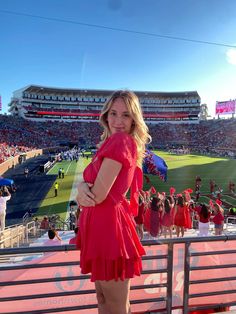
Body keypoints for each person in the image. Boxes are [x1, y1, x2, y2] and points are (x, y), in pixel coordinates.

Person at [76, 90, 151, 314]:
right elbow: (90, 188)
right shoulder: (113, 141)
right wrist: (81, 187)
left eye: (126, 115)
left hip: (109, 228)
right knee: (105, 301)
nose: (118, 121)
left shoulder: (120, 141)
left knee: (114, 305)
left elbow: (97, 195)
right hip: (102, 227)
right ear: (106, 115)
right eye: (114, 113)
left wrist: (82, 193)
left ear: (134, 119)